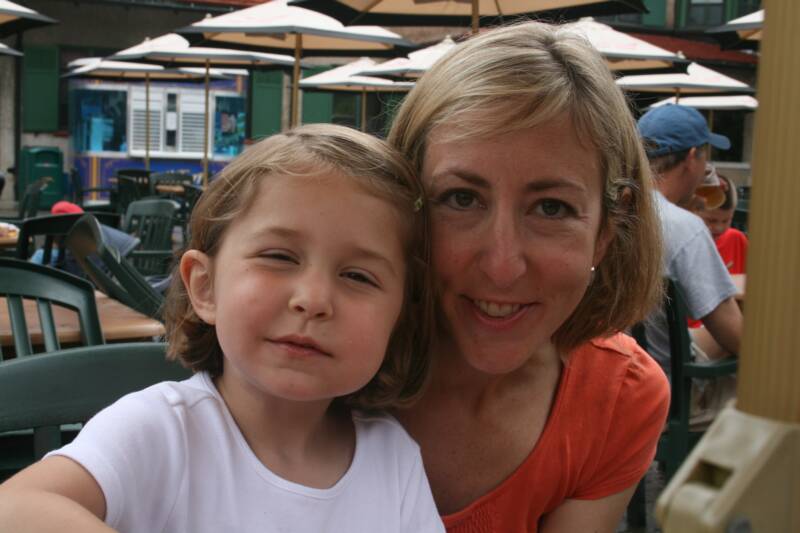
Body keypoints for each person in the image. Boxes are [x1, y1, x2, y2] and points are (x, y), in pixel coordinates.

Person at [0, 124, 445, 533]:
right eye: (279, 257)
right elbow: (15, 506)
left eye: (358, 276)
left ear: (398, 318)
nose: (313, 299)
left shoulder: (393, 457)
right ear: (206, 287)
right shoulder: (162, 431)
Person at [387, 22, 670, 532]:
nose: (503, 265)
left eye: (551, 208)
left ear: (607, 231)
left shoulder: (619, 399)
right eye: (461, 198)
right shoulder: (317, 346)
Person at [637, 104, 744, 369]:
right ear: (692, 157)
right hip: (662, 379)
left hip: (610, 366)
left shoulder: (612, 206)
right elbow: (735, 337)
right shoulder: (684, 227)